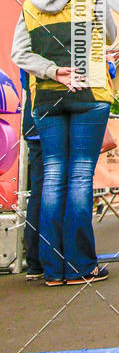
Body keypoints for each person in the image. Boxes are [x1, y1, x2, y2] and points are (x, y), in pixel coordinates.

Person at [11, 0, 117, 286]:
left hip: (46, 98)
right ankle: (81, 266)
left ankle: (52, 269)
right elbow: (112, 36)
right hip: (91, 94)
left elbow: (20, 54)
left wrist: (54, 71)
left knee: (53, 178)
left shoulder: (32, 0)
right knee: (80, 178)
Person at [20, 70, 44, 280]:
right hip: (51, 119)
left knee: (38, 191)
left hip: (32, 119)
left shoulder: (25, 45)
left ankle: (35, 261)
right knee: (60, 187)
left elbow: (24, 82)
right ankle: (58, 256)